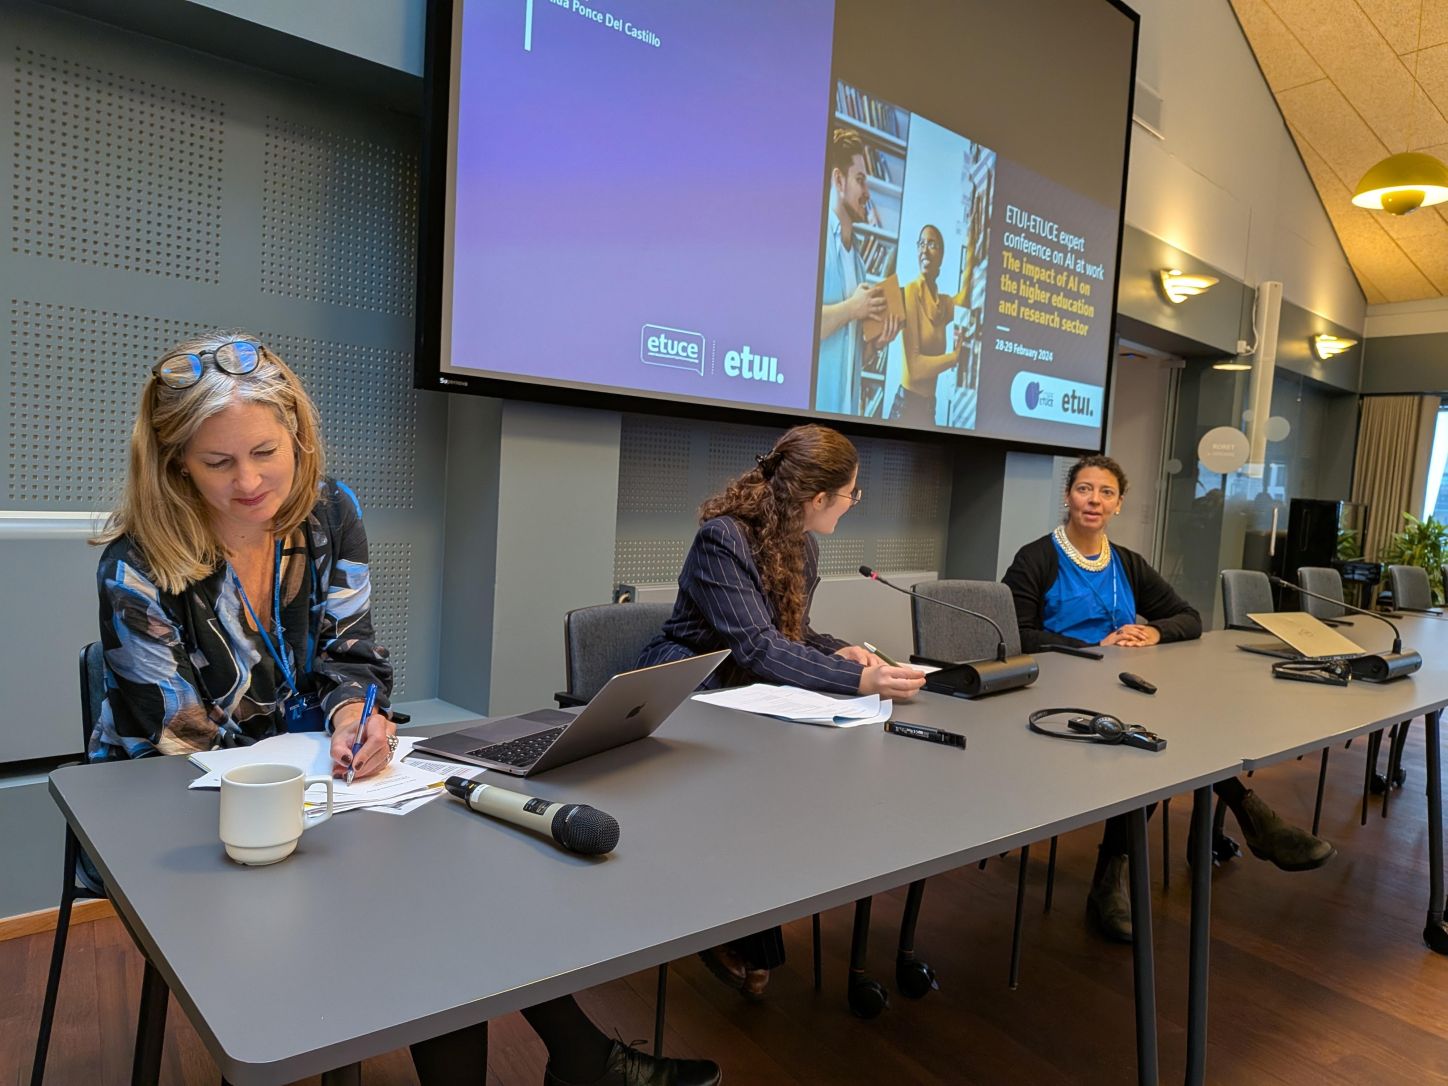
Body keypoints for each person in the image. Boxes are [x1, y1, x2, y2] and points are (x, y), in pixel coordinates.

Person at [90, 332, 719, 1086]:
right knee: (427, 900)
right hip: (183, 816)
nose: (250, 481)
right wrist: (323, 778)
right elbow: (179, 743)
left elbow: (352, 655)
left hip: (324, 789)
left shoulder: (329, 513)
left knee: (450, 880)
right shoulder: (135, 565)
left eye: (265, 452)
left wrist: (355, 718)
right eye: (218, 463)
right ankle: (586, 1061)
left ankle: (583, 1058)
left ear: (297, 435)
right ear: (176, 465)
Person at [639, 424, 925, 997]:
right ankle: (721, 921)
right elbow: (756, 646)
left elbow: (791, 632)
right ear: (818, 497)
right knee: (750, 784)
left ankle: (747, 915)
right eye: (851, 493)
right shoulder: (723, 538)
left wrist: (838, 650)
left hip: (754, 687)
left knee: (796, 776)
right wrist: (859, 678)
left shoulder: (803, 543)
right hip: (693, 683)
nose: (853, 503)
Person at [1002, 454, 1334, 943]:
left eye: (1106, 492)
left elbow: (1188, 617)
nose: (1094, 500)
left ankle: (1119, 873)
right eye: (1084, 489)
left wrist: (1153, 632)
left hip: (1123, 689)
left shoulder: (1126, 562)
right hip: (1057, 697)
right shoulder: (1036, 559)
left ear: (1119, 504)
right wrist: (1094, 647)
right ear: (1068, 496)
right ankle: (1248, 819)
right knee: (1153, 744)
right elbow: (1016, 634)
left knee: (1178, 729)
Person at [817, 127, 901, 416]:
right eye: (860, 180)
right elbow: (802, 328)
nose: (867, 193)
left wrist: (876, 345)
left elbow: (851, 360)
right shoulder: (816, 245)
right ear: (839, 180)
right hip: (806, 425)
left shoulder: (859, 264)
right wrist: (853, 308)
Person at [892, 224, 971, 427]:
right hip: (906, 409)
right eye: (921, 244)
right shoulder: (910, 292)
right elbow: (915, 368)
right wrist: (953, 358)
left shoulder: (941, 304)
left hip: (928, 409)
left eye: (932, 244)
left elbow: (965, 297)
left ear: (941, 256)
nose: (924, 250)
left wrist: (972, 246)